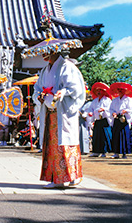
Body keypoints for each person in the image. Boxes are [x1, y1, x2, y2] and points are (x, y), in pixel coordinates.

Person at [34, 51, 86, 189]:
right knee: (52, 146)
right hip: (50, 112)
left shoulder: (67, 66)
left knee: (67, 143)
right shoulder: (45, 70)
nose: (44, 55)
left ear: (54, 51)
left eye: (46, 52)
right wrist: (39, 95)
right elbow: (37, 88)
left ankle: (74, 175)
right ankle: (57, 178)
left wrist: (62, 92)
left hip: (63, 111)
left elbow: (75, 87)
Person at [84, 83, 112, 158]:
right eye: (97, 90)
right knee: (96, 136)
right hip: (97, 120)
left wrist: (104, 109)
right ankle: (96, 151)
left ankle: (104, 151)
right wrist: (90, 113)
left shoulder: (107, 100)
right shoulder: (95, 101)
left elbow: (110, 109)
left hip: (104, 119)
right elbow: (91, 109)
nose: (98, 92)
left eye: (100, 90)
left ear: (104, 91)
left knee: (104, 136)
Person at [109, 83, 132, 159]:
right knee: (116, 135)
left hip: (124, 118)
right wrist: (113, 113)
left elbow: (131, 109)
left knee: (124, 135)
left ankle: (124, 153)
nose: (120, 91)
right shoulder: (114, 100)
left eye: (122, 90)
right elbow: (111, 109)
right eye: (119, 90)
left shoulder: (129, 100)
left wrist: (125, 111)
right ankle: (116, 153)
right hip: (117, 118)